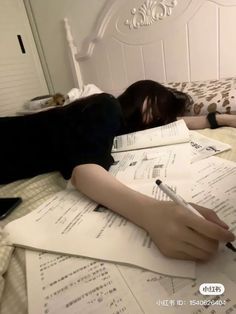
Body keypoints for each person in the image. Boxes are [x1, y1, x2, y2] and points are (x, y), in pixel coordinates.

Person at [1, 80, 235, 261]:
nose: (158, 118)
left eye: (164, 117)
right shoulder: (106, 105)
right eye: (158, 106)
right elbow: (83, 171)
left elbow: (179, 124)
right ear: (144, 93)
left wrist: (223, 119)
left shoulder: (122, 131)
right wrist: (151, 212)